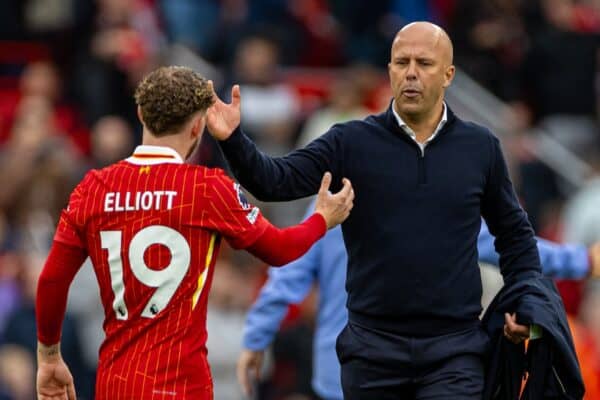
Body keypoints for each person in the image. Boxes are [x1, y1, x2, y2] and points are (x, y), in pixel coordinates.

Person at [207, 22, 552, 398]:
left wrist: (526, 303)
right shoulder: (351, 141)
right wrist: (233, 140)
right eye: (401, 62)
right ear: (389, 71)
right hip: (373, 352)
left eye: (424, 62)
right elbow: (275, 181)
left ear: (449, 74)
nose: (412, 73)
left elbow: (514, 234)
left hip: (454, 350)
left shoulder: (480, 147)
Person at [34, 66, 354, 400]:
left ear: (141, 114)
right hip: (184, 385)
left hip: (118, 383)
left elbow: (51, 281)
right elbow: (280, 249)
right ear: (199, 126)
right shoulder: (207, 189)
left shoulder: (94, 188)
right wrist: (321, 219)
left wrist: (49, 358)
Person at [237, 200, 600, 399]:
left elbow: (288, 274)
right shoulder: (441, 203)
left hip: (341, 375)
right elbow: (513, 248)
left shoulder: (334, 204)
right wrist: (583, 261)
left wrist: (256, 338)